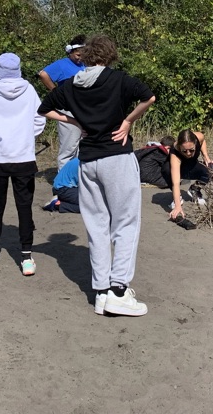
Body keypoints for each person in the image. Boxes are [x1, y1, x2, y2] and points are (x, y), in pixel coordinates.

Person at [38, 35, 155, 317]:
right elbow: (149, 97)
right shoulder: (118, 79)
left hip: (87, 161)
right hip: (117, 157)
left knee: (97, 224)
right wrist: (127, 121)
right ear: (111, 55)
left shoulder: (70, 85)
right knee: (126, 223)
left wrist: (75, 121)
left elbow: (43, 109)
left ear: (86, 56)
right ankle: (118, 291)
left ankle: (101, 292)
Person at [0, 53, 46, 275]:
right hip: (24, 157)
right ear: (18, 69)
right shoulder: (29, 90)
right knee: (24, 207)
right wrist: (27, 136)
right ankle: (26, 257)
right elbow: (40, 118)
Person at [38, 35, 87, 169]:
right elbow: (43, 74)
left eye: (82, 55)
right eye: (77, 55)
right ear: (70, 52)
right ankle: (63, 182)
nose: (80, 57)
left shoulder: (84, 65)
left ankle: (76, 178)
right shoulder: (62, 64)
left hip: (83, 109)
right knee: (69, 145)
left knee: (82, 145)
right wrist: (54, 91)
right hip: (67, 109)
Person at [166, 130, 213, 220]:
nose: (188, 153)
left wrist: (206, 158)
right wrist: (178, 206)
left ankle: (194, 189)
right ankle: (177, 198)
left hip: (192, 165)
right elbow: (176, 182)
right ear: (179, 147)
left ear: (195, 143)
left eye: (191, 150)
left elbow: (203, 140)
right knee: (167, 171)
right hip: (178, 169)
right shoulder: (175, 153)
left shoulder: (199, 137)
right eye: (184, 151)